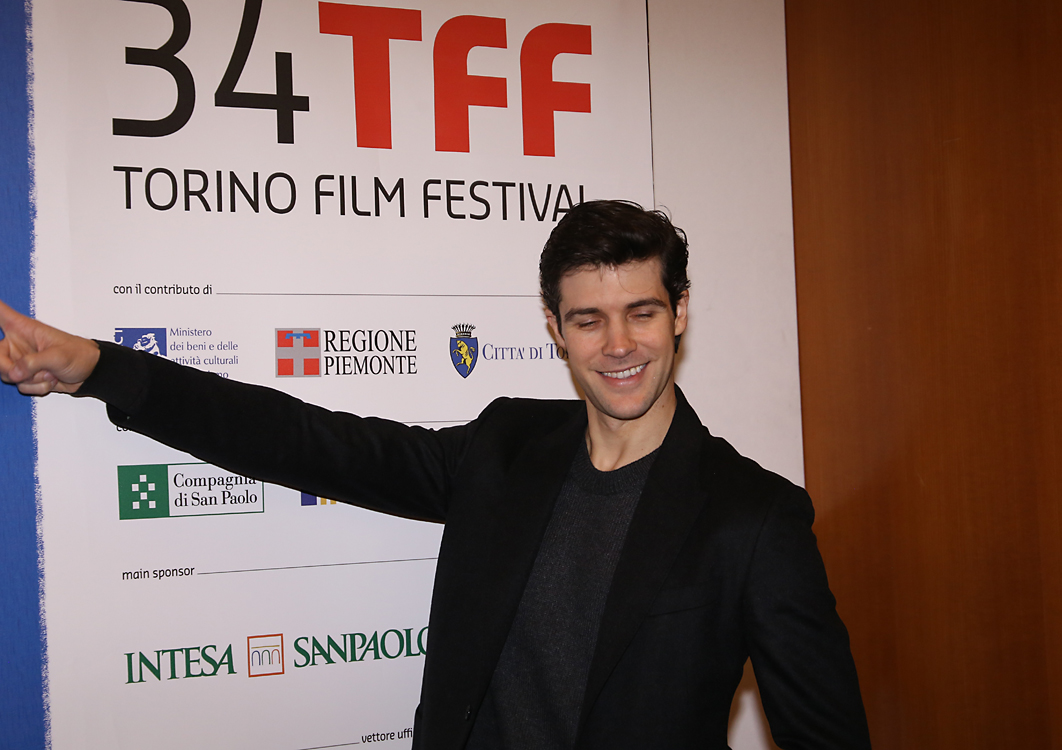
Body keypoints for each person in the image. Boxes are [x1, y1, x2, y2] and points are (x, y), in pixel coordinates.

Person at [0, 200, 870, 749]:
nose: (617, 346)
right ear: (553, 327)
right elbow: (312, 442)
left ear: (678, 312)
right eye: (589, 318)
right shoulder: (502, 448)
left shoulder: (755, 519)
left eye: (642, 312)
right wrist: (99, 368)